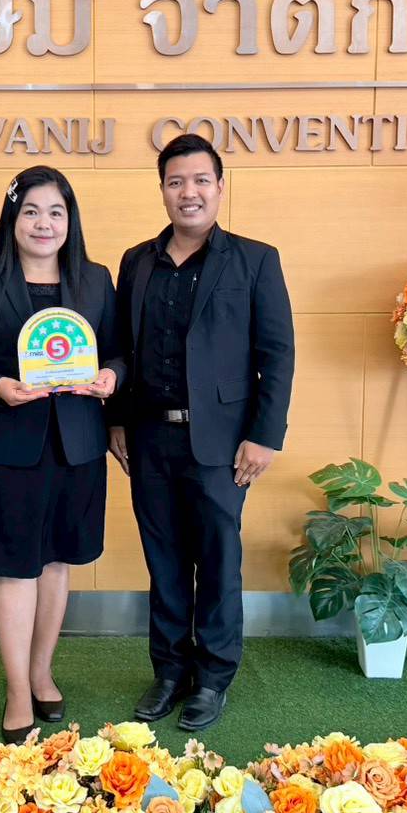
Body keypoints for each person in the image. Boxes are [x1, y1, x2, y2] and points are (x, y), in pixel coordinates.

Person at [109, 133, 294, 731]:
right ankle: (169, 670)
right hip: (149, 438)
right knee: (163, 560)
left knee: (216, 561)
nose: (188, 192)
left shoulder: (255, 259)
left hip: (221, 443)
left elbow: (277, 354)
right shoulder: (137, 261)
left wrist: (264, 436)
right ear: (162, 190)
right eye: (175, 182)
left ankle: (213, 678)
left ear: (219, 186)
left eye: (200, 181)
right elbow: (121, 347)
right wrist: (116, 419)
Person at [0, 165, 122, 743]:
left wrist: (112, 377)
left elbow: (119, 352)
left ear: (71, 220)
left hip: (77, 444)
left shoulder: (96, 280)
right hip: (5, 444)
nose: (45, 223)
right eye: (32, 212)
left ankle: (43, 672)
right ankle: (18, 689)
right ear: (13, 219)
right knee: (16, 565)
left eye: (56, 212)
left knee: (58, 562)